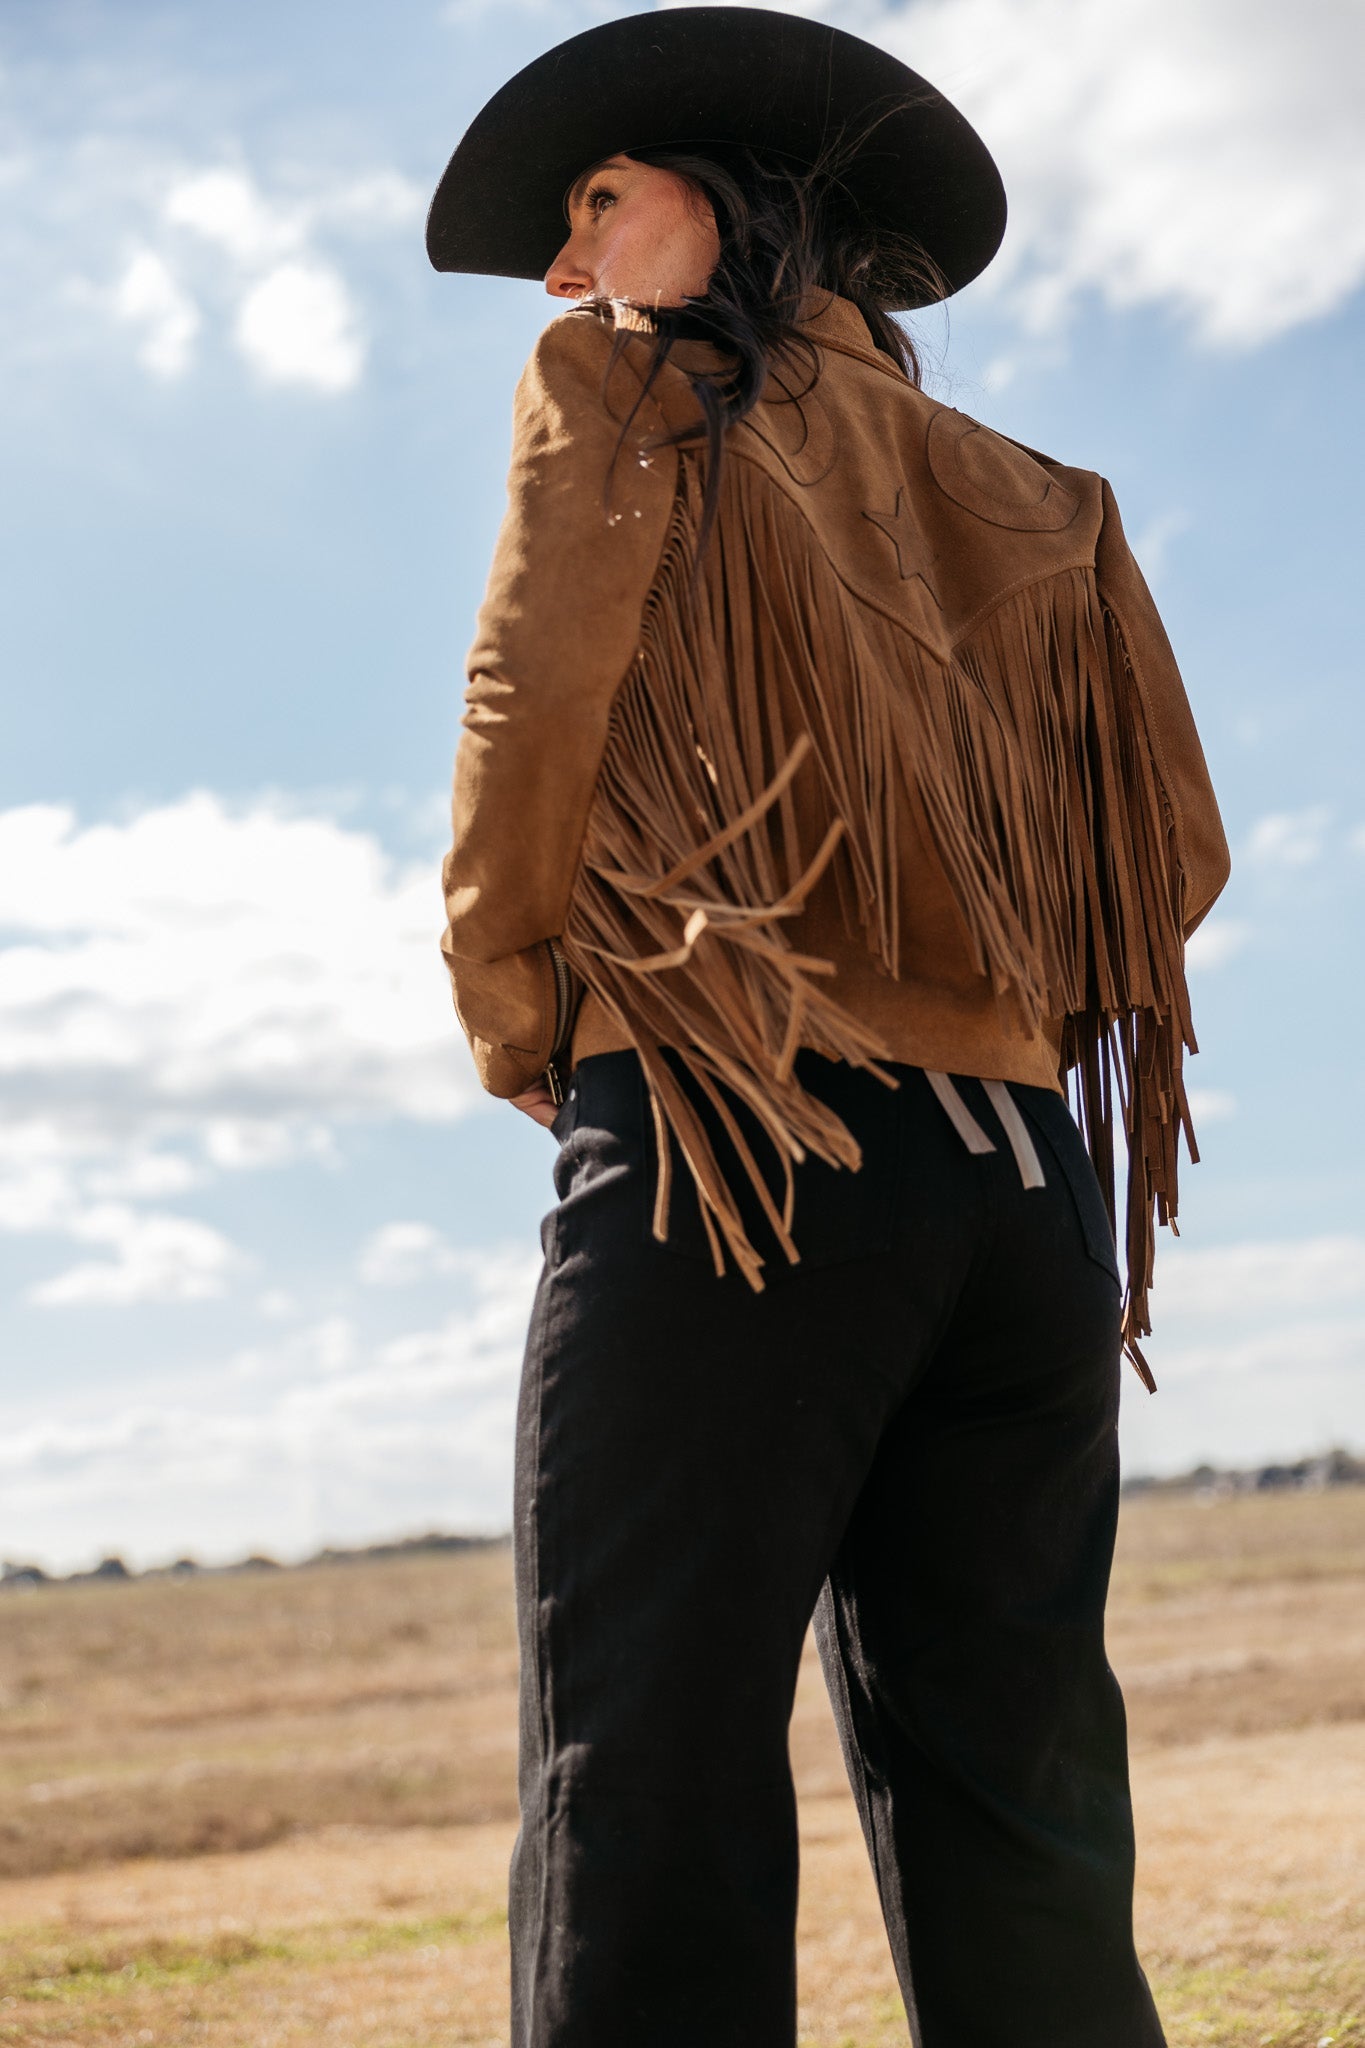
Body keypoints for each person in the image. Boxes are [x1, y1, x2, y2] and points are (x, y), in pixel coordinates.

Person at [427, 10, 1230, 2045]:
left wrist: (530, 1015)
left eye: (588, 203)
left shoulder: (621, 395)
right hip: (1021, 1202)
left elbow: (533, 715)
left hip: (734, 1152)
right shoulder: (1045, 503)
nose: (562, 266)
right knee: (1019, 1813)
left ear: (711, 197)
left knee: (650, 1778)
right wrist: (983, 992)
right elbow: (1173, 862)